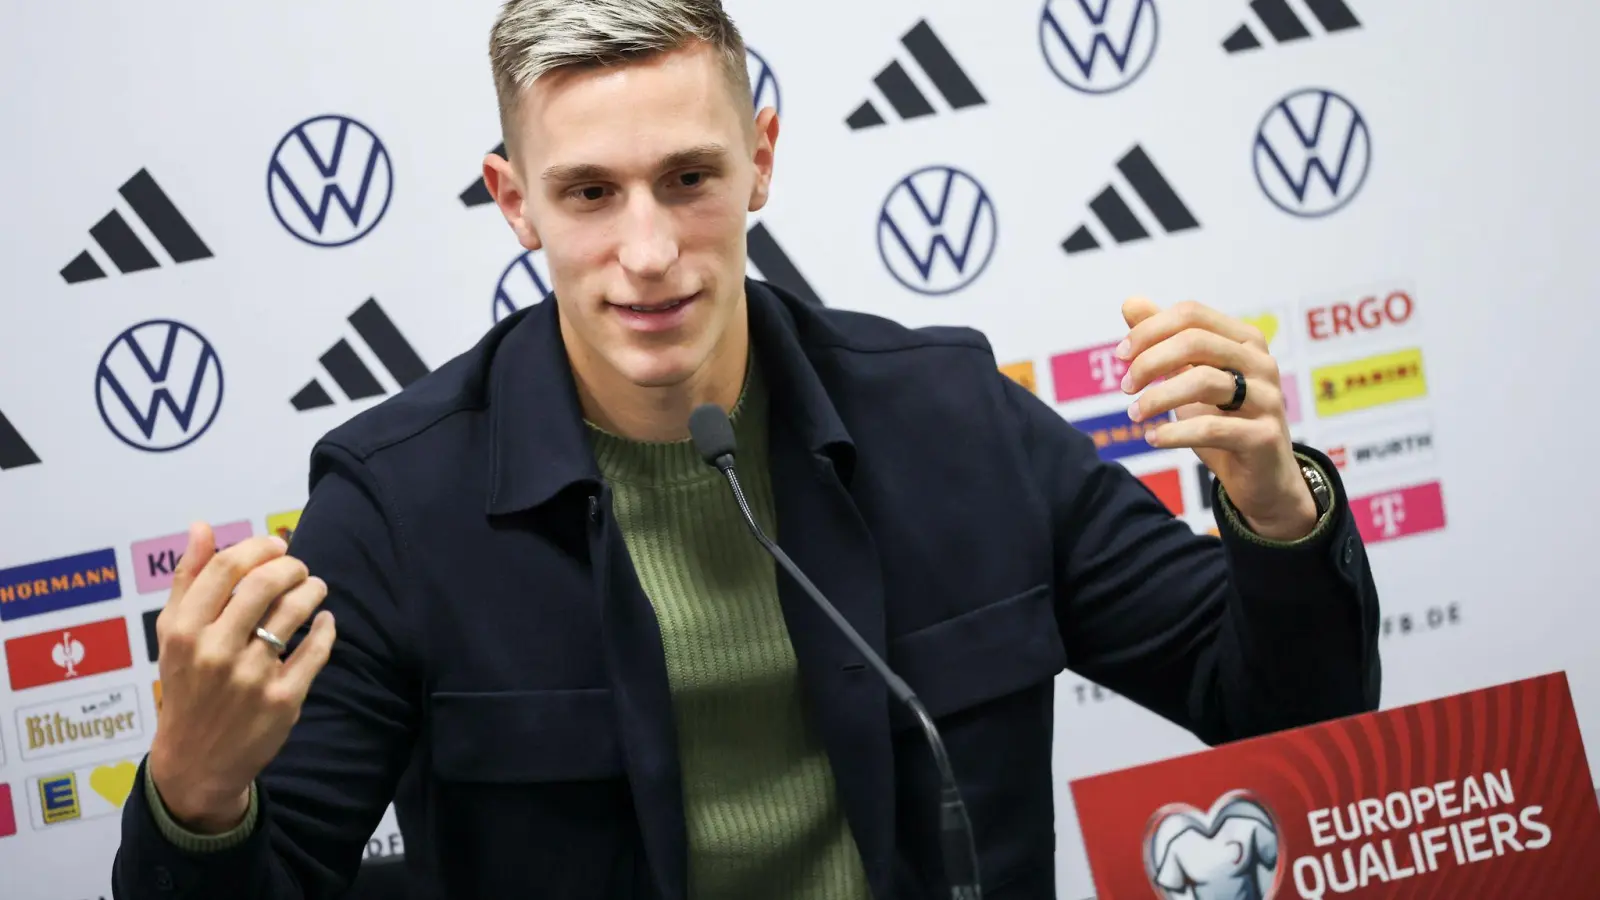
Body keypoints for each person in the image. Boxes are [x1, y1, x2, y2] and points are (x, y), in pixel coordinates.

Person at [111, 1, 1381, 897]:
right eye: (591, 193)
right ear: (516, 204)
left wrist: (1271, 503)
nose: (650, 251)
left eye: (689, 178)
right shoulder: (396, 510)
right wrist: (197, 791)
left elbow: (1285, 707)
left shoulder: (951, 416)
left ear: (762, 161)